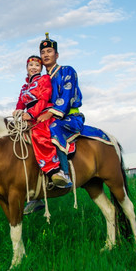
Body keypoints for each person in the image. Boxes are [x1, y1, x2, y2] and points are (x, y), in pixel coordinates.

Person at [36, 32, 84, 188]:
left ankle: (64, 173)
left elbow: (68, 95)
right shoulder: (42, 80)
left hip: (69, 117)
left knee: (54, 128)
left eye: (49, 51)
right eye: (42, 53)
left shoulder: (67, 71)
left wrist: (50, 113)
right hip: (49, 116)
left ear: (56, 55)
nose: (45, 55)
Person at [13, 55, 61, 180]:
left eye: (37, 65)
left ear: (41, 68)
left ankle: (53, 170)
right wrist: (17, 111)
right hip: (29, 117)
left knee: (38, 134)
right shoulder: (24, 87)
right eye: (31, 65)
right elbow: (20, 102)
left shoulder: (44, 79)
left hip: (42, 114)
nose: (33, 68)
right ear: (26, 67)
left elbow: (44, 99)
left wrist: (31, 114)